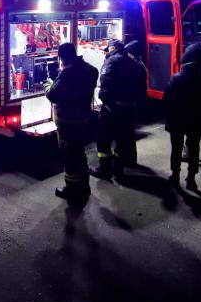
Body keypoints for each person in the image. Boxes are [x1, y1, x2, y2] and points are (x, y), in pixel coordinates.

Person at [46, 43, 99, 205]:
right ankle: (84, 187)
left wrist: (48, 84)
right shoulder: (90, 70)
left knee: (70, 156)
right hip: (83, 118)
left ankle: (72, 190)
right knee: (79, 152)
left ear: (62, 58)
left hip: (67, 121)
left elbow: (52, 95)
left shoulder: (67, 75)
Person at [90, 39, 147, 181]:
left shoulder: (111, 62)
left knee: (103, 140)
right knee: (122, 141)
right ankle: (118, 170)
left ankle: (104, 169)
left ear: (112, 48)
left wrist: (106, 103)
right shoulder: (135, 64)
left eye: (107, 49)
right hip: (129, 109)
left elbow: (105, 86)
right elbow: (142, 89)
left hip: (112, 109)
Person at [164, 44, 201, 191]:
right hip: (196, 120)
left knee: (176, 148)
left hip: (177, 120)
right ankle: (191, 179)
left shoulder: (176, 78)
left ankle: (175, 176)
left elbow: (167, 100)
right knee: (194, 148)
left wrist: (169, 116)